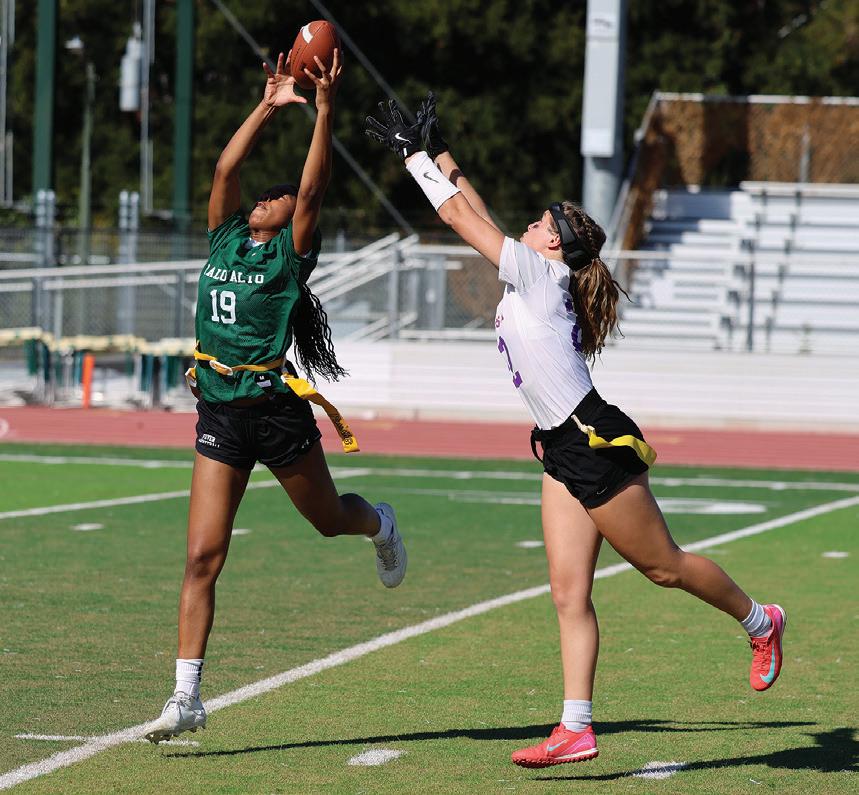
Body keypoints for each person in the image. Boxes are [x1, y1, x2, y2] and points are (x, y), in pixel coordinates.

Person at [365, 94, 785, 768]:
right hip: (560, 447)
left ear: (553, 242)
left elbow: (455, 215)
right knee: (568, 593)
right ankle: (576, 728)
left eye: (537, 222)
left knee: (663, 566)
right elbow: (474, 208)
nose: (525, 226)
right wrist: (438, 150)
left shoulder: (539, 273)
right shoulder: (535, 269)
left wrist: (410, 157)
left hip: (591, 438)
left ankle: (761, 621)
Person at [143, 50, 407, 745]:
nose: (264, 197)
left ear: (293, 217)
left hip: (275, 411)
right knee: (202, 556)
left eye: (277, 196)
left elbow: (314, 188)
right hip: (220, 412)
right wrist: (266, 104)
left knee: (329, 519)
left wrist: (323, 109)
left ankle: (379, 524)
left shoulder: (290, 253)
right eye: (263, 195)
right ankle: (186, 696)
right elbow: (225, 170)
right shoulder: (226, 235)